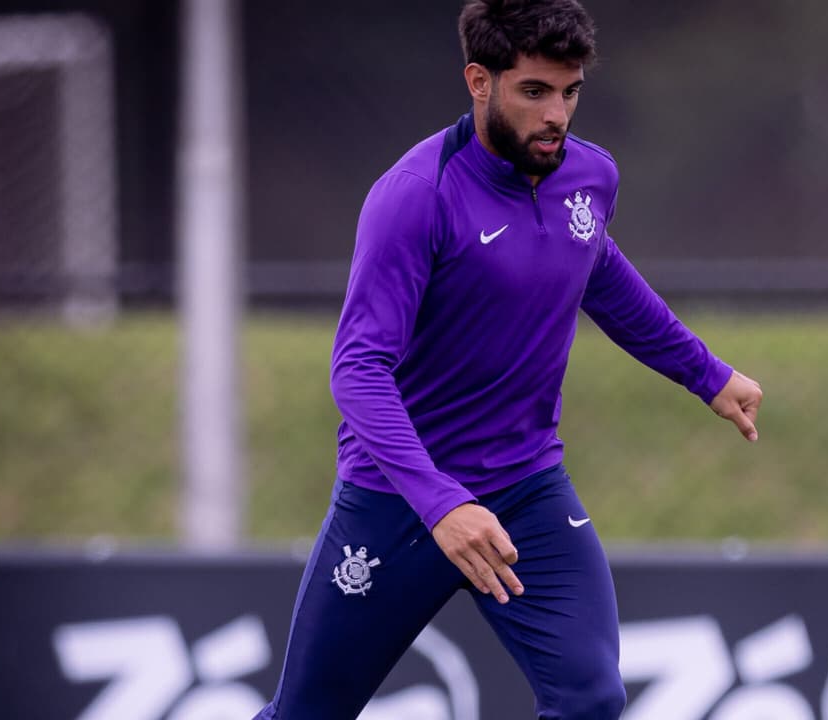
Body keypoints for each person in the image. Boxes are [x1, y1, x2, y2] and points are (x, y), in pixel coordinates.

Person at [256, 1, 763, 718]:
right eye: (534, 91)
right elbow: (357, 370)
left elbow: (599, 271)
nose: (557, 113)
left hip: (527, 491)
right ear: (478, 81)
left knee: (591, 700)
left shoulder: (590, 176)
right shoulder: (416, 196)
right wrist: (441, 504)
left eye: (571, 91)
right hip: (399, 502)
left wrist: (705, 374)